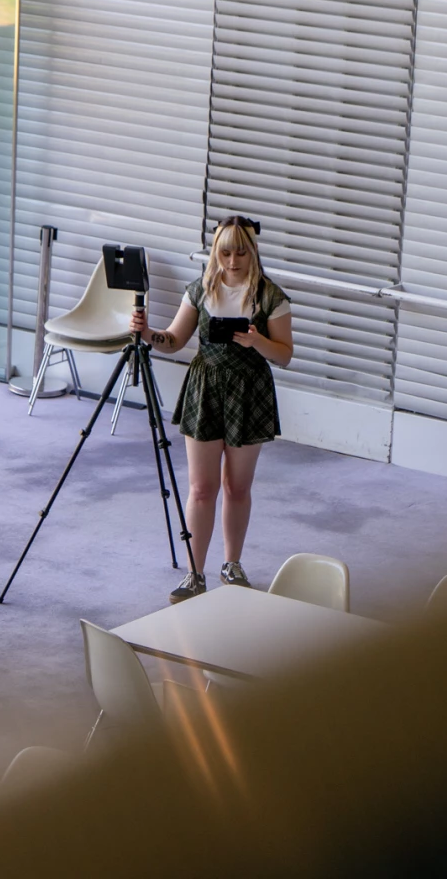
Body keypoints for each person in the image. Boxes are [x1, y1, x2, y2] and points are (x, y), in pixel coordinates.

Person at [130, 216, 295, 603]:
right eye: (225, 252)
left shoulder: (271, 296)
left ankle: (231, 564)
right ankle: (194, 572)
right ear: (215, 253)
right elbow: (172, 341)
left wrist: (256, 341)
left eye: (241, 252)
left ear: (252, 251)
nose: (233, 261)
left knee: (237, 487)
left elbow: (285, 356)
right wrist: (146, 334)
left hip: (249, 391)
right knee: (201, 488)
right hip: (205, 389)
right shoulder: (200, 291)